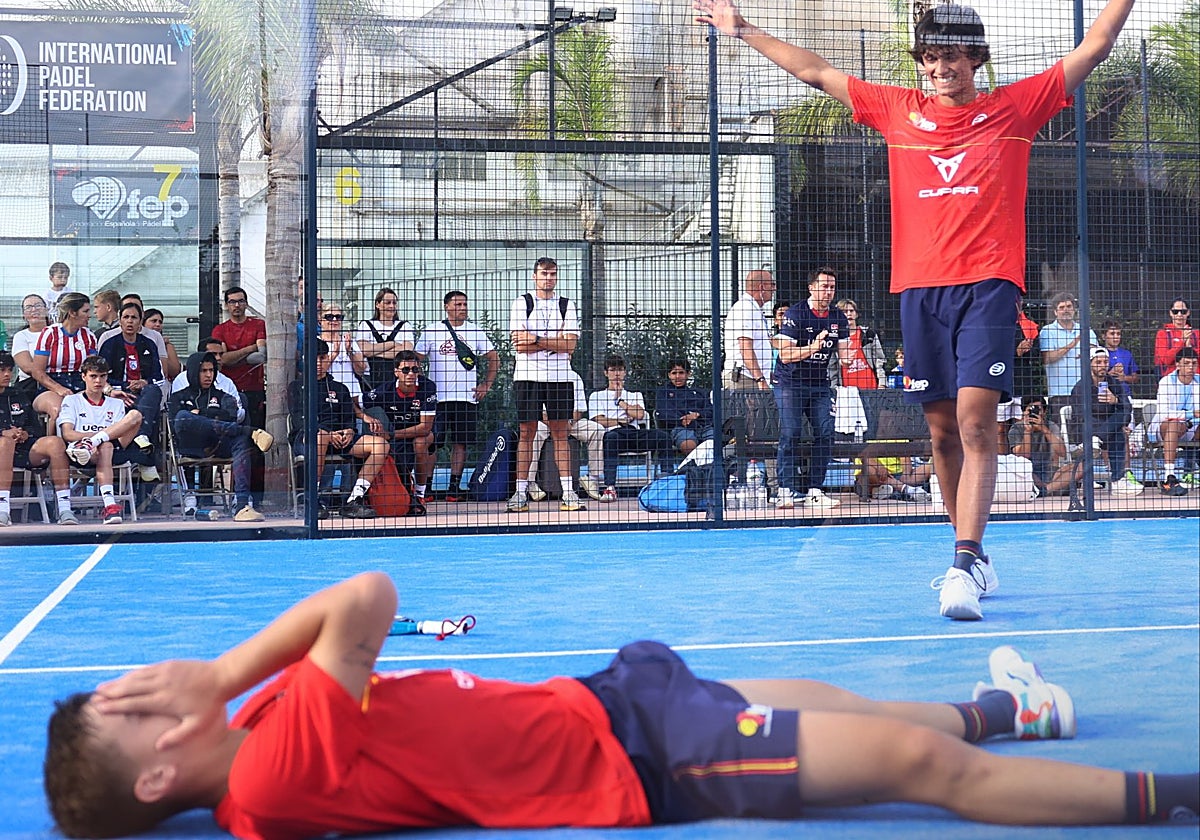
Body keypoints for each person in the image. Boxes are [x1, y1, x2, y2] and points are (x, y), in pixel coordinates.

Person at [46, 572, 1199, 839]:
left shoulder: (257, 753)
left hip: (599, 700)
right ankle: (1172, 799)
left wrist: (217, 691)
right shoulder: (265, 770)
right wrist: (220, 672)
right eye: (136, 709)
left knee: (834, 698)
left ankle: (1017, 713)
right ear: (157, 776)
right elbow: (365, 597)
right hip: (643, 762)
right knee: (911, 763)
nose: (154, 689)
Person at [693, 0, 1136, 619]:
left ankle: (963, 559)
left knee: (979, 423)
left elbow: (1093, 47)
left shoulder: (1014, 109)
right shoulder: (898, 110)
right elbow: (818, 73)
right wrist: (742, 30)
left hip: (988, 287)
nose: (938, 67)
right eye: (929, 57)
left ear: (975, 58)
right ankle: (971, 554)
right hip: (921, 293)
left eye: (950, 55)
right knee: (940, 432)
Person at [507, 256, 584, 513]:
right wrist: (554, 342)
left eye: (552, 274)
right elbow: (519, 345)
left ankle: (569, 492)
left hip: (560, 377)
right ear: (534, 276)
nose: (548, 278)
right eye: (544, 274)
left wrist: (536, 339)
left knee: (560, 432)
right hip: (527, 377)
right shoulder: (523, 302)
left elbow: (570, 345)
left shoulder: (566, 305)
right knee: (526, 433)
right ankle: (520, 493)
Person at [772, 268, 850, 510]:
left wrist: (849, 348)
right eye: (824, 286)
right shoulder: (796, 314)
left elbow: (845, 354)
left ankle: (814, 490)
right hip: (790, 383)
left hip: (819, 384)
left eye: (832, 287)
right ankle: (784, 489)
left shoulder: (838, 317)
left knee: (825, 432)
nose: (828, 291)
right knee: (791, 432)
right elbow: (785, 356)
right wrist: (814, 347)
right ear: (811, 287)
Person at [166, 352, 275, 522]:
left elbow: (230, 415)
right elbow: (177, 424)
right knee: (183, 416)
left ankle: (242, 505)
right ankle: (250, 431)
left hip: (218, 444)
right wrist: (211, 416)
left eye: (211, 370)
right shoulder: (178, 396)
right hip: (192, 446)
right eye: (203, 371)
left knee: (240, 440)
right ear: (194, 371)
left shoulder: (223, 395)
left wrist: (200, 414)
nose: (209, 375)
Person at [286, 339, 388, 518]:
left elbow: (348, 417)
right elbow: (299, 419)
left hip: (339, 439)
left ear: (328, 359)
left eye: (322, 358)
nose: (318, 362)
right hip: (308, 438)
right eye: (313, 358)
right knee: (320, 435)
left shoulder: (339, 388)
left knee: (380, 445)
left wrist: (349, 430)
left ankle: (353, 500)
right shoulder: (296, 387)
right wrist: (327, 433)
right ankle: (313, 500)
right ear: (304, 359)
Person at [414, 290, 499, 501]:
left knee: (460, 443)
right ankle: (427, 488)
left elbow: (494, 358)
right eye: (457, 304)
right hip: (438, 398)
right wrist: (423, 386)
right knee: (432, 442)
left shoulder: (475, 331)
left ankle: (454, 487)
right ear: (446, 306)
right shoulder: (432, 331)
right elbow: (416, 359)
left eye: (464, 304)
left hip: (466, 397)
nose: (462, 308)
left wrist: (486, 384)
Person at [56, 355, 155, 525]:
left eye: (102, 376)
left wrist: (95, 440)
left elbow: (118, 435)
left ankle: (93, 443)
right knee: (105, 446)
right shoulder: (72, 400)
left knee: (135, 416)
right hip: (80, 451)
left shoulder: (115, 403)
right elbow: (68, 434)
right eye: (93, 376)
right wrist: (90, 440)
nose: (98, 381)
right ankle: (110, 505)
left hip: (112, 448)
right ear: (83, 376)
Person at [0, 350, 78, 526]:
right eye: (1, 370)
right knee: (4, 443)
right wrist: (3, 433)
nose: (6, 374)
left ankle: (65, 508)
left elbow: (34, 427)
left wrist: (25, 433)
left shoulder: (17, 394)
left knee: (55, 443)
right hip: (2, 450)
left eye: (9, 370)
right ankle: (3, 510)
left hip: (23, 450)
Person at [589, 354, 673, 503]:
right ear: (606, 372)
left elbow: (640, 415)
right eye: (613, 370)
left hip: (634, 434)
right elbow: (598, 420)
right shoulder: (597, 395)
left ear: (625, 372)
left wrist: (620, 401)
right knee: (611, 438)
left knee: (662, 436)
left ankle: (668, 480)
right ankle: (610, 487)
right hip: (613, 435)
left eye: (620, 370)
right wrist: (620, 420)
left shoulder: (634, 395)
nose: (617, 374)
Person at [361, 351, 437, 516]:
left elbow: (425, 428)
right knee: (385, 451)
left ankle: (420, 494)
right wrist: (365, 417)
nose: (411, 374)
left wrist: (392, 434)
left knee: (420, 442)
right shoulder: (385, 390)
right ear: (396, 372)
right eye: (405, 370)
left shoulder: (428, 387)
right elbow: (357, 402)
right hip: (397, 434)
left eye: (414, 370)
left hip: (419, 432)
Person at [96, 302, 166, 470]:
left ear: (140, 322)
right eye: (126, 317)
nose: (129, 321)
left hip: (144, 393)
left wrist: (144, 382)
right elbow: (101, 376)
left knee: (153, 390)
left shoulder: (149, 344)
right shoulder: (110, 344)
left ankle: (141, 436)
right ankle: (143, 456)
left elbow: (159, 376)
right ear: (119, 320)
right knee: (139, 405)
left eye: (134, 318)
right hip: (118, 392)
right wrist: (123, 386)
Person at [525, 368, 606, 505]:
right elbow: (539, 412)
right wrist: (556, 425)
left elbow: (579, 409)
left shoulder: (575, 377)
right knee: (535, 432)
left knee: (597, 429)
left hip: (570, 423)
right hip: (546, 422)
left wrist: (568, 423)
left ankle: (592, 478)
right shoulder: (541, 375)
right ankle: (530, 482)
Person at [1068, 346, 1141, 494]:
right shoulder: (1080, 387)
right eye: (1098, 362)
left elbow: (1127, 409)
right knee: (1117, 432)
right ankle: (1117, 480)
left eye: (1105, 362)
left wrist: (1115, 401)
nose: (1102, 366)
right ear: (1090, 364)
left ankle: (1117, 481)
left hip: (1105, 432)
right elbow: (1081, 416)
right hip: (1085, 430)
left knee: (1119, 428)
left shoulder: (1113, 383)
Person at [317, 302, 385, 438]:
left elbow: (361, 369)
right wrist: (334, 354)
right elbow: (316, 370)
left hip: (353, 396)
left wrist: (350, 352)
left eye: (338, 317)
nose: (334, 320)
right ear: (320, 319)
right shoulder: (316, 342)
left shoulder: (349, 341)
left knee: (354, 434)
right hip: (329, 396)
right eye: (329, 317)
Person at [31, 292, 97, 426]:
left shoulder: (89, 336)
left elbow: (93, 369)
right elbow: (37, 372)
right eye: (85, 311)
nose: (89, 315)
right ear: (73, 313)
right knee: (60, 410)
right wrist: (58, 388)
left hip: (80, 383)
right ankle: (53, 443)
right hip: (51, 385)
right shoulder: (50, 334)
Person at [211, 287, 267, 429]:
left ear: (246, 303)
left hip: (254, 388)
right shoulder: (220, 330)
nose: (237, 305)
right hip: (230, 388)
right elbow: (223, 360)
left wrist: (235, 358)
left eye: (241, 301)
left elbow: (262, 355)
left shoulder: (259, 324)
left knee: (255, 431)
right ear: (226, 305)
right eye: (232, 302)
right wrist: (251, 348)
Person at [1147, 346, 1199, 495]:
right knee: (1174, 424)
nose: (1190, 367)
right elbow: (1164, 413)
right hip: (1163, 428)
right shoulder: (1166, 382)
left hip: (1191, 427)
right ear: (1177, 364)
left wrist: (1191, 419)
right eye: (1186, 363)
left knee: (1179, 424)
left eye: (1194, 363)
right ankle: (1168, 478)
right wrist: (1190, 415)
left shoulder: (1199, 381)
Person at [1008, 396, 1079, 498]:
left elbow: (1062, 453)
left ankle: (1045, 490)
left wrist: (1044, 429)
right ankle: (1054, 488)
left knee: (1081, 466)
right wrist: (1027, 432)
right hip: (1028, 473)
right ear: (1024, 412)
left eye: (1038, 410)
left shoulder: (1051, 426)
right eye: (1030, 410)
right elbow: (1022, 457)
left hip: (1050, 471)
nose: (1034, 413)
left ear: (1044, 412)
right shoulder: (1016, 429)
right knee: (1022, 471)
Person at [1040, 294, 1098, 418]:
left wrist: (1088, 354)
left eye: (1069, 306)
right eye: (1062, 307)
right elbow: (1046, 358)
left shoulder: (1087, 331)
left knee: (1085, 432)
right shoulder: (1047, 331)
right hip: (1060, 393)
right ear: (1055, 312)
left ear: (1074, 309)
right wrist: (1072, 344)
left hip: (1085, 392)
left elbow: (1097, 357)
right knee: (1061, 433)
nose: (1066, 310)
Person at [721, 268, 774, 391]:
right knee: (748, 410)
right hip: (746, 378)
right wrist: (759, 378)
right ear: (762, 287)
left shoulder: (754, 309)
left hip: (752, 377)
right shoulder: (745, 308)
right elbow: (745, 346)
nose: (774, 289)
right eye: (772, 284)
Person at [355, 287, 413, 390]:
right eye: (387, 302)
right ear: (377, 304)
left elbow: (407, 351)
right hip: (371, 380)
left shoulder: (404, 326)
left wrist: (374, 352)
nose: (392, 306)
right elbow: (363, 350)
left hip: (397, 381)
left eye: (394, 303)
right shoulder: (366, 325)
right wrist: (393, 344)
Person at [654, 358, 714, 457]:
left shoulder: (699, 392)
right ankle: (696, 470)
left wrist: (697, 415)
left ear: (688, 374)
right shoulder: (663, 392)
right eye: (674, 373)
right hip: (679, 428)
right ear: (669, 375)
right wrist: (684, 419)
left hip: (703, 427)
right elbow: (663, 413)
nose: (677, 376)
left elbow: (710, 410)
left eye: (681, 372)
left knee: (715, 445)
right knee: (688, 445)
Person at [835, 298, 886, 389]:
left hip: (870, 389)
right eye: (844, 311)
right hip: (846, 391)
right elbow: (832, 368)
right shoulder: (835, 338)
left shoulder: (868, 334)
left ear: (856, 314)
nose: (849, 314)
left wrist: (882, 383)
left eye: (851, 311)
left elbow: (879, 360)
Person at [11, 293, 49, 400]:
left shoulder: (58, 333)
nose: (34, 310)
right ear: (23, 314)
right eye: (28, 307)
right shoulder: (21, 336)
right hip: (30, 386)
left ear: (46, 310)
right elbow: (27, 367)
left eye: (38, 306)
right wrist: (54, 384)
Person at [1154, 299, 1198, 377]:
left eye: (1183, 311)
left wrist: (1190, 348)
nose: (1179, 314)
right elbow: (1166, 360)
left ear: (1188, 313)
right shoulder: (1163, 333)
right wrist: (1181, 342)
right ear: (1170, 313)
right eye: (1175, 312)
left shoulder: (1197, 334)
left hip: (1196, 379)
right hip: (1171, 381)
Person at [1099, 318, 1138, 393]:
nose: (1116, 336)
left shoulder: (1127, 354)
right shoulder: (1099, 354)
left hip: (1125, 395)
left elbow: (1135, 378)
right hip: (1105, 394)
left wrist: (1124, 377)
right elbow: (1094, 377)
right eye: (1112, 334)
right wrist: (1109, 374)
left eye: (1118, 334)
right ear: (1104, 336)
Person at [142, 308, 182, 380]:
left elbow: (175, 371)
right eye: (153, 321)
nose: (158, 324)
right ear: (143, 322)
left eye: (160, 322)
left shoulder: (167, 346)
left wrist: (159, 348)